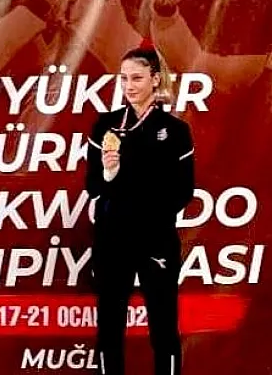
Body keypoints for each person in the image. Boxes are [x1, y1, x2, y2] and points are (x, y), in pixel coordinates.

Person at [85, 45, 195, 375]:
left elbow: (183, 192)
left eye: (137, 78)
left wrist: (144, 208)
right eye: (123, 79)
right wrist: (109, 173)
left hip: (155, 241)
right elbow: (93, 186)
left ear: (155, 79)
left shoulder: (176, 131)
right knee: (109, 327)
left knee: (163, 327)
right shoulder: (105, 126)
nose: (129, 86)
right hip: (112, 241)